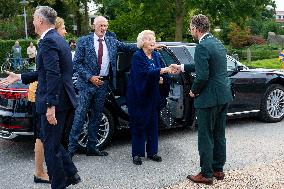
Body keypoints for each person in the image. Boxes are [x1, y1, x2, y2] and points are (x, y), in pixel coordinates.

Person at [0, 6, 81, 189]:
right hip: (65, 99)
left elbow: (53, 74)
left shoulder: (48, 42)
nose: (33, 22)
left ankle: (59, 184)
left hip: (55, 102)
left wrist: (50, 106)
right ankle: (71, 173)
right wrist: (19, 77)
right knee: (50, 141)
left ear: (41, 21)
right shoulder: (59, 39)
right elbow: (44, 72)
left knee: (51, 149)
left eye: (34, 19)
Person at [170, 14, 233, 185]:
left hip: (209, 98)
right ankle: (218, 170)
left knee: (205, 136)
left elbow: (203, 76)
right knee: (219, 134)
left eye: (191, 29)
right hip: (223, 95)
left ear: (196, 29)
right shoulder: (217, 43)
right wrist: (181, 66)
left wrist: (193, 91)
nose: (191, 32)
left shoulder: (202, 46)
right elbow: (205, 65)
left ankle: (206, 174)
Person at [67, 15, 140, 158]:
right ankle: (70, 151)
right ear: (93, 26)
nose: (103, 28)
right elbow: (77, 64)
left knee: (97, 116)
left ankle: (92, 147)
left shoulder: (112, 41)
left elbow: (128, 47)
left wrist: (147, 45)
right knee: (80, 116)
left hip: (103, 84)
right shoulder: (83, 41)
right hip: (87, 84)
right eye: (101, 25)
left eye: (105, 26)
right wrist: (90, 77)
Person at [127, 30, 171, 165]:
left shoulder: (156, 55)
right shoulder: (137, 56)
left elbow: (159, 72)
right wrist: (161, 72)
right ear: (142, 42)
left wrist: (162, 77)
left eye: (154, 39)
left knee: (153, 124)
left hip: (153, 95)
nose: (153, 41)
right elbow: (142, 74)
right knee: (139, 124)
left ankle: (152, 152)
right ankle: (137, 154)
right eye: (149, 39)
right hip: (138, 96)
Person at [28, 81, 49, 184]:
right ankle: (39, 173)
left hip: (38, 93)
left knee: (40, 134)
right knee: (41, 135)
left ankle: (40, 172)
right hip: (41, 94)